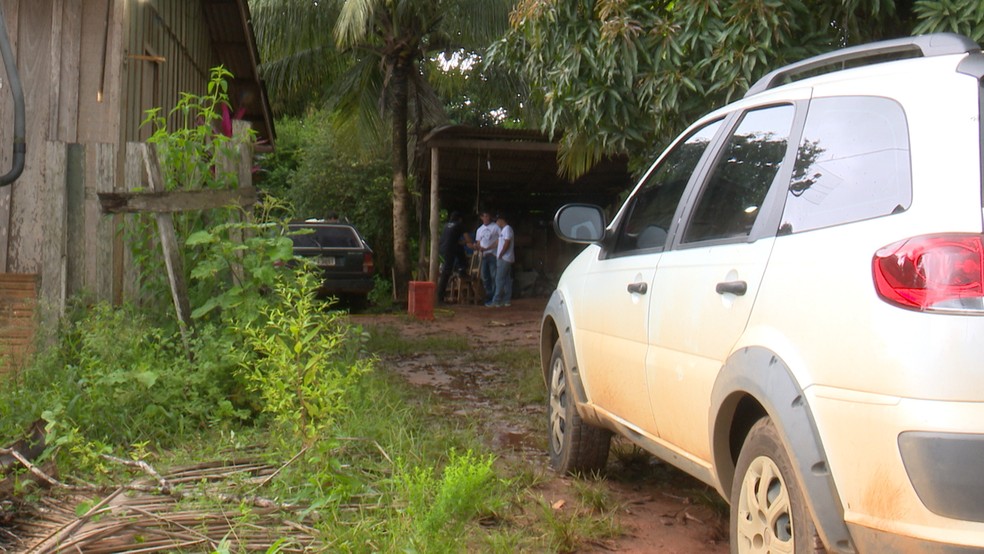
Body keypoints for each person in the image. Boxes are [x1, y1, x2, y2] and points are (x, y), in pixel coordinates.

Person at [436, 211, 471, 304]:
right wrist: (465, 242)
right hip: (449, 250)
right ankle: (439, 298)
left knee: (458, 249)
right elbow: (468, 240)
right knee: (446, 272)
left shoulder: (446, 225)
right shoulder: (459, 225)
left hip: (441, 248)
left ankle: (460, 268)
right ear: (460, 219)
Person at [487, 213, 515, 308]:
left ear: (501, 220)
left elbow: (507, 242)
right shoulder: (504, 230)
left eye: (497, 221)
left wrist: (501, 254)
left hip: (504, 258)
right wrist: (486, 248)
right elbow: (497, 242)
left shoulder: (507, 229)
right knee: (506, 279)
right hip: (506, 257)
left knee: (499, 279)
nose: (496, 223)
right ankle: (506, 300)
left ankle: (496, 300)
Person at [473, 210, 500, 303]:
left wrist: (488, 247)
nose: (486, 218)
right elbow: (479, 242)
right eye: (484, 216)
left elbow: (499, 240)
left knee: (494, 276)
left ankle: (495, 295)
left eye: (488, 216)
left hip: (492, 254)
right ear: (481, 217)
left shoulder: (495, 227)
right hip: (483, 256)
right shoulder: (479, 230)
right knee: (485, 277)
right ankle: (489, 295)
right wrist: (478, 246)